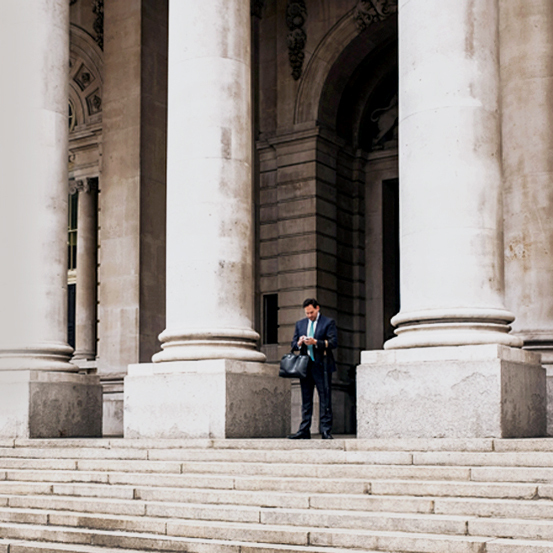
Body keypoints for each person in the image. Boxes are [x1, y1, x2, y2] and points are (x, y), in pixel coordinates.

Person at [288, 298, 337, 440]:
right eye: (307, 313)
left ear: (317, 308)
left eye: (311, 312)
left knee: (325, 399)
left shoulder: (328, 323)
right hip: (305, 366)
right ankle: (304, 430)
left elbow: (333, 342)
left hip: (322, 366)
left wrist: (316, 342)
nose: (309, 315)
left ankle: (326, 430)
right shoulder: (300, 324)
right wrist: (299, 343)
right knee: (306, 399)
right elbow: (293, 344)